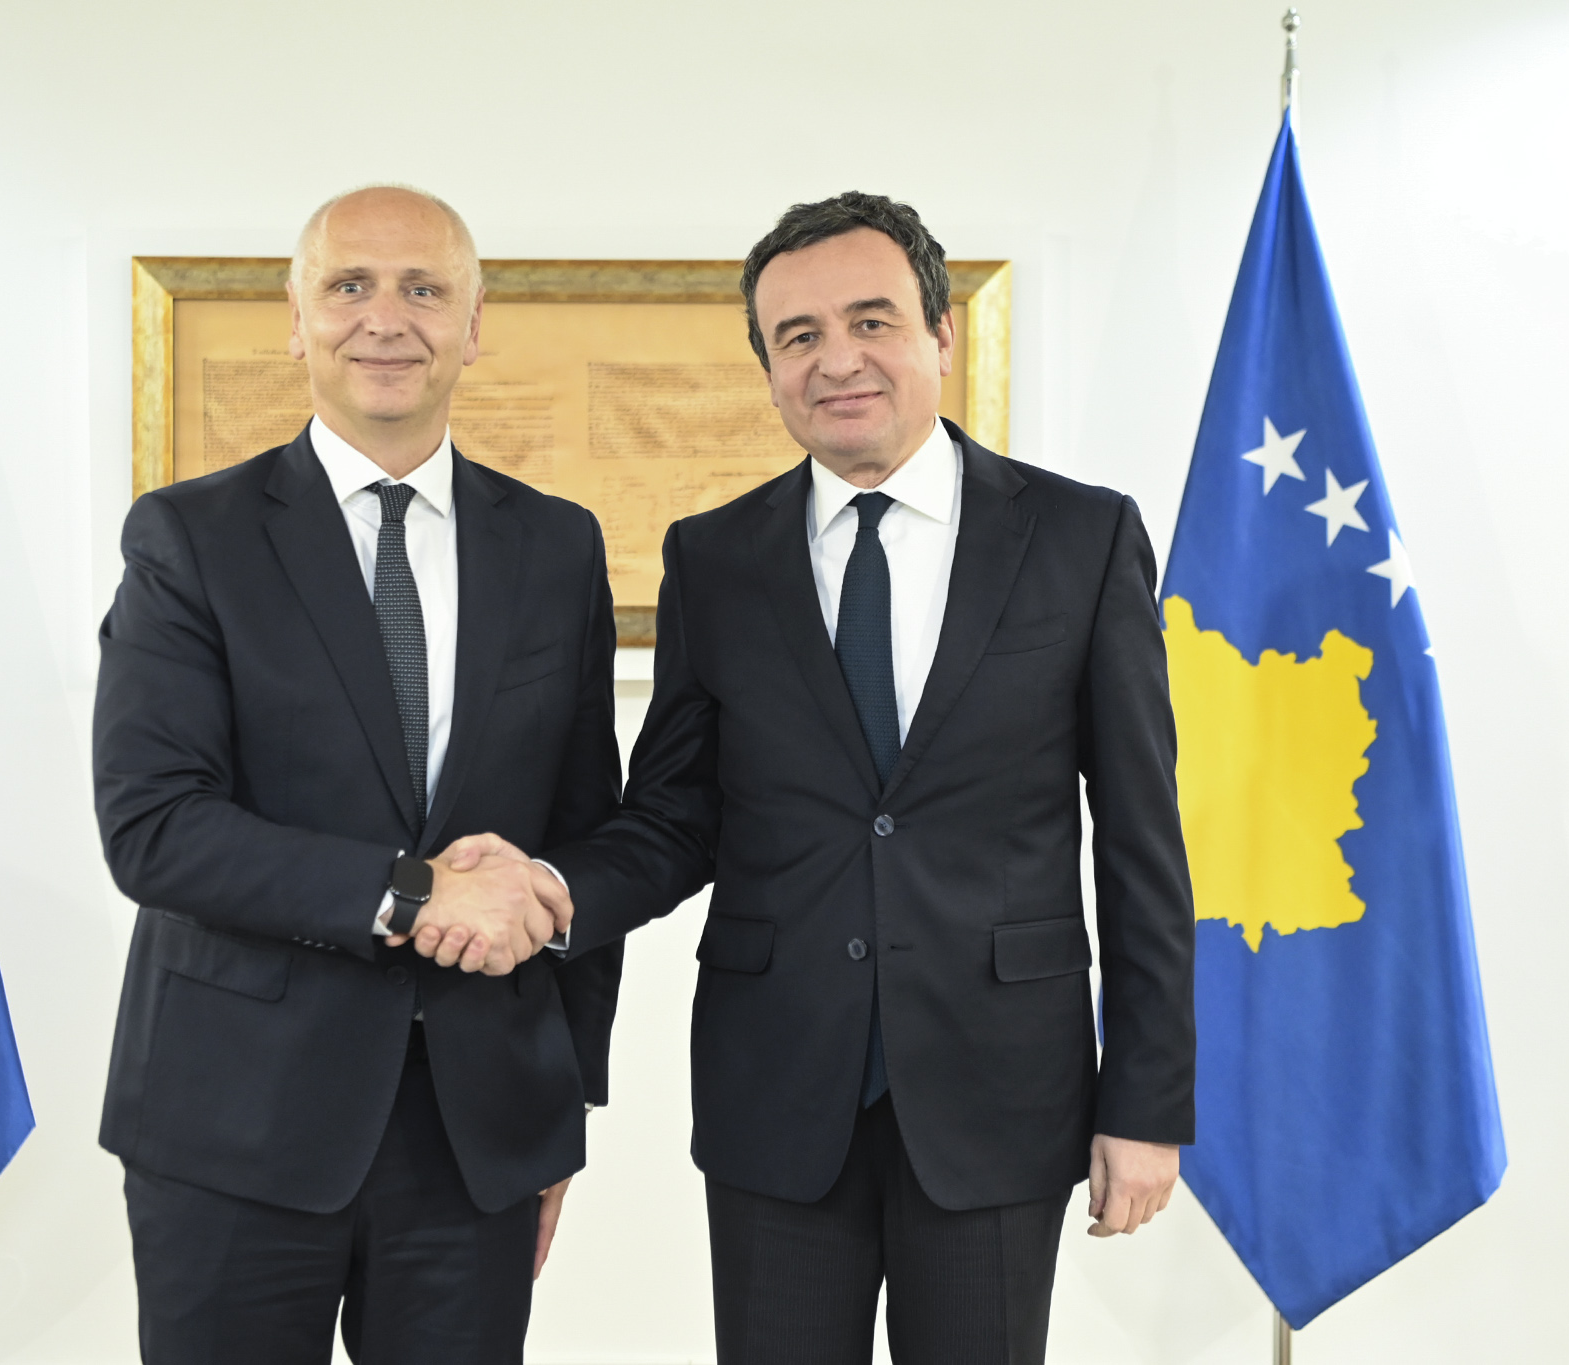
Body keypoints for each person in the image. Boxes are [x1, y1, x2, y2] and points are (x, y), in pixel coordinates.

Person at [436, 192, 1196, 1365]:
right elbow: (676, 817)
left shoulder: (1080, 538)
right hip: (775, 1092)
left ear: (938, 334)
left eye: (869, 320)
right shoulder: (713, 557)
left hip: (999, 1091)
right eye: (797, 336)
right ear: (769, 370)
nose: (836, 359)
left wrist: (1144, 1103)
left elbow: (1141, 841)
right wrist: (549, 885)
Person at [92, 185, 624, 1365]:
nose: (385, 318)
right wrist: (413, 892)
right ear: (297, 322)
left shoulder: (555, 545)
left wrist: (560, 1108)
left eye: (423, 288)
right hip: (232, 1126)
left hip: (473, 1136)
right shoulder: (189, 538)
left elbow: (580, 836)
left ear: (472, 326)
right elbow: (155, 828)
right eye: (348, 286)